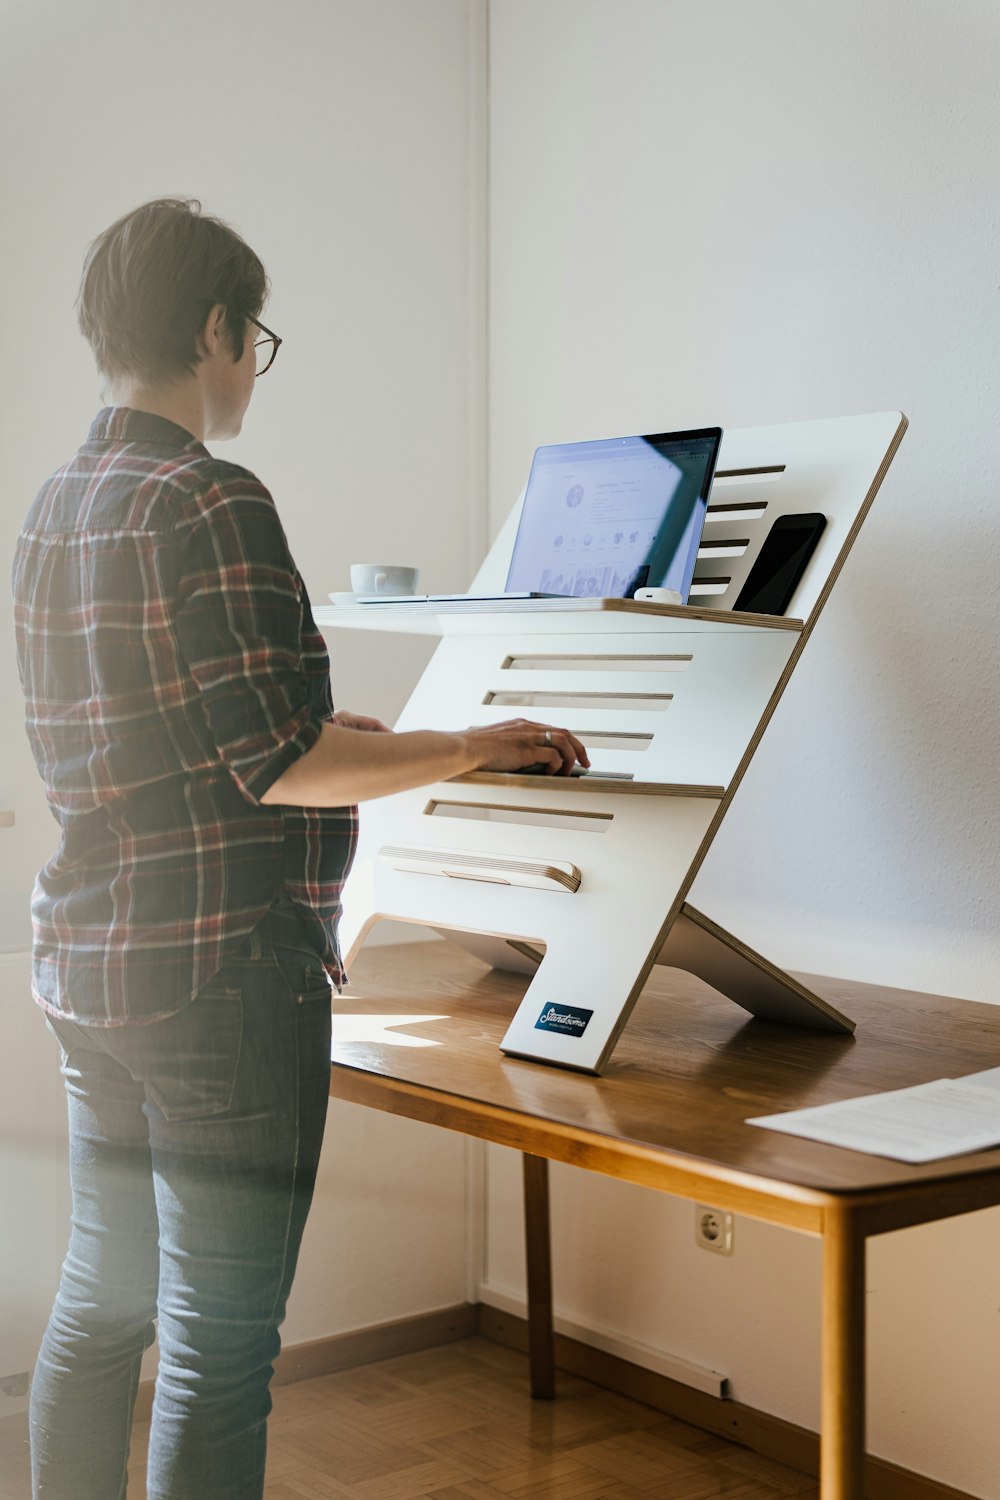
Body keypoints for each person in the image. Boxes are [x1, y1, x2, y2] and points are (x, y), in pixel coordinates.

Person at [12, 197, 587, 1500]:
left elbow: (185, 726)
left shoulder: (57, 502)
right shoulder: (209, 495)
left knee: (100, 1304)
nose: (247, 368)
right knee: (219, 1347)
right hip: (220, 974)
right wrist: (467, 744)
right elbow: (281, 765)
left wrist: (329, 730)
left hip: (92, 958)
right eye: (252, 338)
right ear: (215, 326)